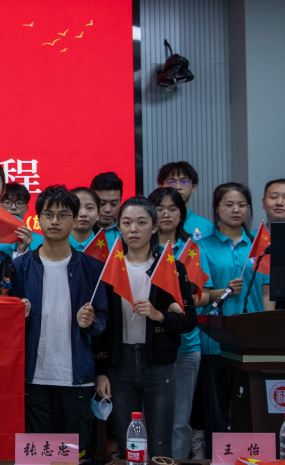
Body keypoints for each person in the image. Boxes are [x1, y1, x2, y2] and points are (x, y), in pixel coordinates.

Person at [93, 197, 198, 462]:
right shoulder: (109, 269)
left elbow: (189, 321)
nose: (134, 229)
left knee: (160, 439)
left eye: (141, 223)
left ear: (154, 227)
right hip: (120, 363)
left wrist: (159, 315)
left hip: (159, 363)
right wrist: (101, 371)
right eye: (127, 223)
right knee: (127, 440)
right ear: (119, 226)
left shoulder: (171, 267)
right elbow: (102, 327)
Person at [9, 186, 107, 459]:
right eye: (48, 214)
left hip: (76, 380)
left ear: (74, 220)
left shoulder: (92, 269)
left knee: (73, 457)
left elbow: (103, 323)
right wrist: (20, 315)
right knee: (37, 457)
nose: (55, 221)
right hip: (33, 379)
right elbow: (6, 328)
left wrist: (90, 323)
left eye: (63, 215)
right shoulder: (19, 267)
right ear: (38, 219)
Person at [197, 182, 268, 443]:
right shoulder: (202, 246)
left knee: (253, 407)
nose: (236, 210)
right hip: (215, 340)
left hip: (254, 339)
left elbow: (267, 294)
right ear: (216, 208)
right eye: (228, 204)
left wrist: (269, 331)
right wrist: (223, 290)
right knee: (218, 411)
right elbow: (198, 296)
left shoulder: (261, 245)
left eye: (241, 205)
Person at [148, 186, 209, 459]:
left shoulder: (193, 249)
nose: (166, 214)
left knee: (180, 421)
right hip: (153, 345)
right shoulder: (140, 250)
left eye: (172, 209)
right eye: (159, 208)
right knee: (148, 418)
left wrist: (182, 306)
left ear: (182, 214)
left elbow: (204, 294)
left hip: (187, 346)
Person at [159, 161, 214, 240]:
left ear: (193, 188)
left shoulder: (207, 227)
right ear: (161, 186)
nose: (177, 187)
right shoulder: (153, 223)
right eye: (171, 182)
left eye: (184, 181)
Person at [1, 182, 45, 251]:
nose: (13, 207)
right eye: (7, 202)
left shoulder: (40, 240)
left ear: (26, 209)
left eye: (19, 203)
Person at [90, 172, 124, 250]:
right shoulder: (79, 230)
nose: (108, 209)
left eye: (114, 204)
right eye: (102, 203)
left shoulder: (127, 231)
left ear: (120, 201)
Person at [67, 187, 101, 253]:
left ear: (98, 214)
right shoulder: (55, 246)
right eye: (77, 208)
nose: (83, 214)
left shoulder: (106, 249)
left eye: (89, 208)